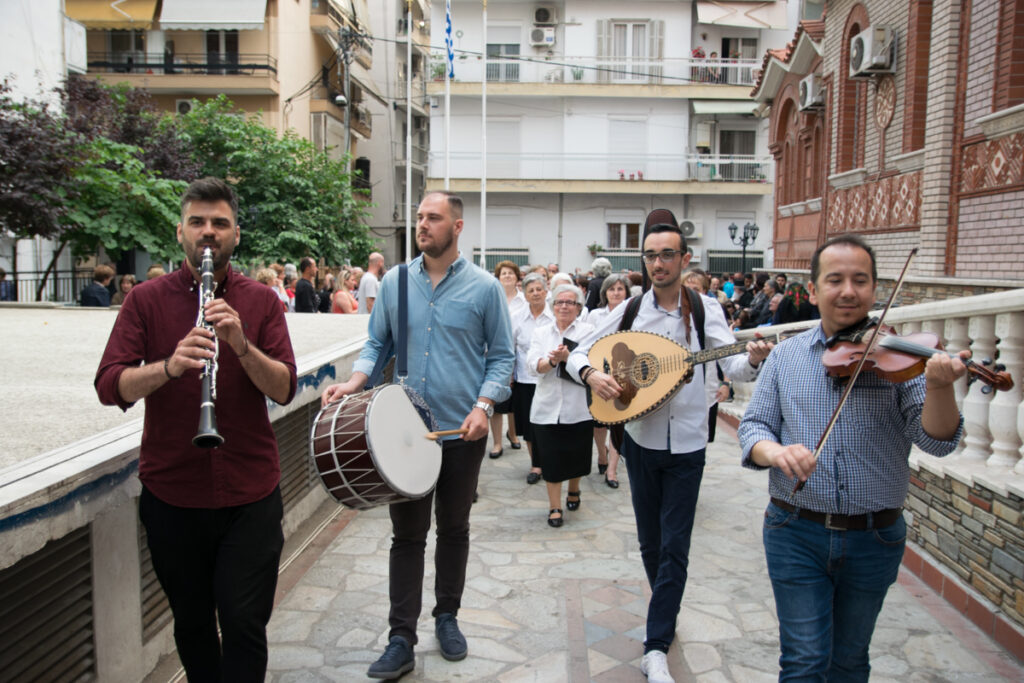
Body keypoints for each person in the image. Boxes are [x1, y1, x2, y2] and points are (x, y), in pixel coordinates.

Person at [738, 234, 967, 681]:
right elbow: (753, 428)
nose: (848, 291)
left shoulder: (900, 358)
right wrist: (778, 452)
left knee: (848, 661)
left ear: (875, 289)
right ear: (814, 289)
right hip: (794, 530)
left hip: (874, 537)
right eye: (835, 279)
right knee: (804, 661)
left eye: (860, 281)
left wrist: (940, 386)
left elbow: (937, 441)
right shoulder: (785, 357)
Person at [94, 177, 297, 681]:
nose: (209, 233)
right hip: (174, 493)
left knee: (245, 622)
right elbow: (109, 384)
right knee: (192, 624)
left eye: (220, 223)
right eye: (199, 222)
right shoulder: (145, 300)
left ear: (236, 234)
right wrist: (169, 366)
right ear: (180, 230)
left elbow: (285, 388)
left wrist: (241, 345)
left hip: (250, 492)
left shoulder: (262, 302)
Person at [569, 210, 772, 683]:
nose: (659, 263)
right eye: (651, 256)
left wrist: (755, 358)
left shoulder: (704, 309)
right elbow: (578, 348)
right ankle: (667, 605)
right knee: (651, 543)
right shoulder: (631, 310)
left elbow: (734, 367)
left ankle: (655, 643)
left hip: (687, 445)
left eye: (667, 255)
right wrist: (592, 374)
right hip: (639, 440)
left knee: (676, 545)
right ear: (644, 261)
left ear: (684, 258)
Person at [320, 191, 514, 679]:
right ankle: (400, 638)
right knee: (406, 537)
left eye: (433, 218)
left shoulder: (484, 288)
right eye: (420, 217)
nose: (422, 224)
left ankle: (447, 616)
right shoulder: (395, 282)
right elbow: (377, 343)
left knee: (454, 529)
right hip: (403, 432)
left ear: (458, 226)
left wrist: (483, 408)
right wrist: (355, 381)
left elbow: (502, 358)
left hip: (460, 433)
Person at [527, 284, 594, 527]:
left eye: (570, 302)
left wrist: (570, 360)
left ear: (578, 308)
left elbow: (592, 369)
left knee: (577, 456)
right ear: (552, 306)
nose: (564, 306)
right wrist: (551, 361)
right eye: (559, 302)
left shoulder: (589, 331)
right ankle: (554, 506)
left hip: (579, 408)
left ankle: (574, 489)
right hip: (547, 406)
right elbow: (532, 365)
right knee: (551, 460)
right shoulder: (541, 332)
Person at [586, 273, 631, 488]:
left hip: (625, 372)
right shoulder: (595, 315)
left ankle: (612, 470)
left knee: (618, 421)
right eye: (612, 289)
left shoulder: (634, 314)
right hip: (600, 373)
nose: (616, 293)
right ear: (605, 292)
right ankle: (601, 454)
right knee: (599, 421)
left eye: (620, 289)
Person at [511, 272, 552, 485]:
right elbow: (509, 348)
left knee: (549, 424)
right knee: (529, 426)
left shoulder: (555, 315)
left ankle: (550, 461)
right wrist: (509, 375)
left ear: (546, 292)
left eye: (539, 289)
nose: (535, 293)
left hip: (551, 379)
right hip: (526, 379)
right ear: (525, 295)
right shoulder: (517, 317)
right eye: (531, 290)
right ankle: (536, 464)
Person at [490, 260, 525, 456]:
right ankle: (496, 443)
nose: (508, 276)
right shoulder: (493, 298)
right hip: (496, 353)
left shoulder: (524, 301)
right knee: (495, 400)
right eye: (504, 273)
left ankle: (513, 434)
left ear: (517, 277)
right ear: (498, 277)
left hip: (518, 356)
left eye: (511, 273)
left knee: (513, 401)